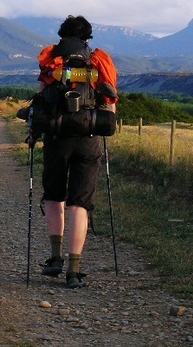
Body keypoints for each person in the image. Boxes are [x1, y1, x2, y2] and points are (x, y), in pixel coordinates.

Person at [32, 15, 118, 289]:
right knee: (79, 203)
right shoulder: (98, 60)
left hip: (56, 137)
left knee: (55, 196)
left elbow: (41, 99)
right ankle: (74, 270)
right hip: (88, 138)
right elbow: (110, 103)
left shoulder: (51, 60)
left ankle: (55, 258)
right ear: (87, 37)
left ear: (61, 35)